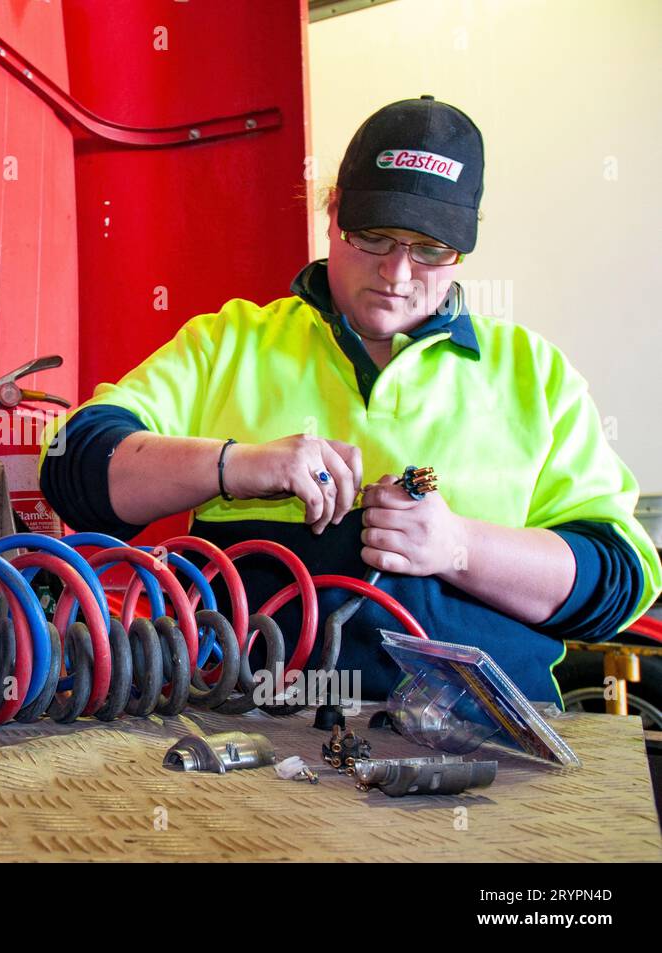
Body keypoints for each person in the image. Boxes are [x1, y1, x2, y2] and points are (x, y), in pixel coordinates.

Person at [38, 95, 661, 703]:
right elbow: (75, 467)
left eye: (429, 249)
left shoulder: (536, 375)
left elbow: (617, 582)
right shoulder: (231, 343)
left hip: (485, 756)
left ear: (463, 249)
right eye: (374, 237)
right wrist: (235, 465)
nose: (397, 274)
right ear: (333, 212)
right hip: (248, 742)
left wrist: (458, 547)